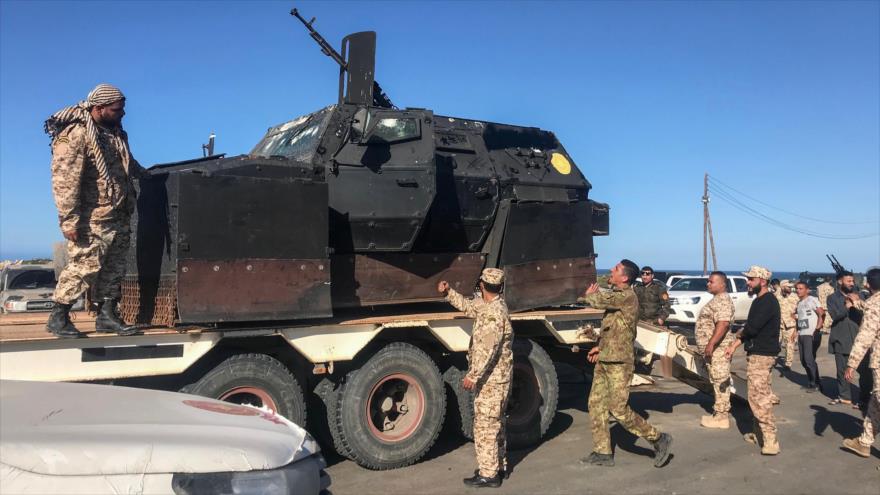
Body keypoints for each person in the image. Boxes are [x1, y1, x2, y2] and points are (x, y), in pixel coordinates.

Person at [44, 83, 145, 338]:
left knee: (115, 267)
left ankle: (107, 315)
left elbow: (126, 163)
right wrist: (68, 220)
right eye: (116, 109)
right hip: (93, 217)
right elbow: (65, 179)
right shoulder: (76, 134)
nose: (122, 114)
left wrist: (147, 174)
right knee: (84, 266)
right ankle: (59, 315)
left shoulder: (114, 133)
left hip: (118, 213)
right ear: (99, 108)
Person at [580, 259, 672, 468]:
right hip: (606, 358)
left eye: (616, 269)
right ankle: (602, 452)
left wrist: (589, 293)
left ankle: (658, 438)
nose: (611, 270)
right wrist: (600, 346)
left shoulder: (627, 297)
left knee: (618, 409)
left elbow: (597, 301)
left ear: (625, 277)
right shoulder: (618, 297)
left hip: (620, 362)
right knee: (596, 405)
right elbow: (613, 327)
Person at [438, 268, 513, 488]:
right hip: (498, 379)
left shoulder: (493, 314)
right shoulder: (493, 305)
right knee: (496, 424)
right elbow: (470, 306)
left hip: (492, 381)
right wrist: (448, 292)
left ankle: (488, 475)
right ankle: (498, 466)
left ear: (482, 285)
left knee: (485, 426)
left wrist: (473, 375)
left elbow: (487, 350)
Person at [725, 265, 781, 455]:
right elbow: (751, 327)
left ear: (762, 281)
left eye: (751, 279)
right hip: (759, 353)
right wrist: (735, 345)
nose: (747, 283)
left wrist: (736, 339)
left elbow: (752, 328)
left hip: (762, 355)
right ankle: (759, 433)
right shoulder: (760, 300)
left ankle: (770, 439)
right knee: (758, 394)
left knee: (759, 397)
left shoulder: (767, 302)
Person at [841, 267, 880, 458]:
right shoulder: (873, 304)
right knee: (875, 404)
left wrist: (852, 363)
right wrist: (859, 303)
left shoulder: (874, 304)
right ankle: (864, 442)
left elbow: (866, 335)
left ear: (868, 284)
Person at [695, 271, 736, 428]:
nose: (708, 284)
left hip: (718, 349)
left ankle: (721, 416)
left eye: (711, 282)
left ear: (722, 284)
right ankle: (719, 414)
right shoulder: (717, 300)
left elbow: (723, 323)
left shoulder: (723, 301)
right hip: (714, 350)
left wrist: (711, 344)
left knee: (720, 381)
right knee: (716, 380)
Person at [827, 271, 869, 408]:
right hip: (841, 338)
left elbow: (869, 312)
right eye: (848, 281)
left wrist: (858, 302)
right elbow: (835, 315)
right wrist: (847, 306)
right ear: (840, 282)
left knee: (864, 371)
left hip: (859, 339)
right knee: (842, 370)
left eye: (852, 281)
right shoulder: (832, 298)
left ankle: (864, 399)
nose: (852, 283)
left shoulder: (861, 295)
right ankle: (844, 396)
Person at [794, 281, 825, 392]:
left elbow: (822, 313)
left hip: (810, 334)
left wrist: (817, 329)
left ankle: (816, 383)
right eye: (797, 288)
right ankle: (811, 382)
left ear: (807, 290)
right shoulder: (799, 303)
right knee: (803, 360)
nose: (798, 290)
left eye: (801, 288)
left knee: (809, 359)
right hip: (802, 334)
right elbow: (801, 319)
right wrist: (796, 331)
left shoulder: (812, 300)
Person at [775, 280, 800, 370]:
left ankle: (788, 363)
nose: (790, 288)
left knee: (790, 344)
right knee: (775, 343)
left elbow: (801, 309)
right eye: (788, 287)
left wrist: (797, 317)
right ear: (782, 287)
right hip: (778, 324)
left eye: (790, 287)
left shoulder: (795, 297)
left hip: (790, 324)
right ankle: (773, 359)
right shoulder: (776, 296)